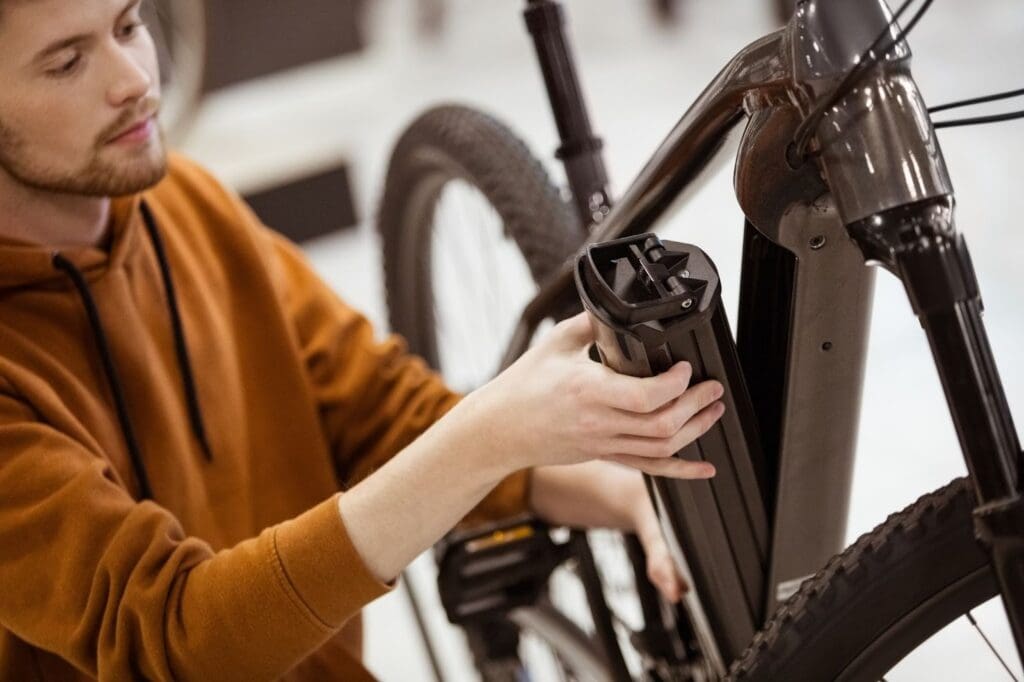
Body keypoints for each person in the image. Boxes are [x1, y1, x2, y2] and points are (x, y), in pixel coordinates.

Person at [0, 0, 726, 679]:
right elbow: (174, 639)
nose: (134, 82)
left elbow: (380, 409)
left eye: (128, 26)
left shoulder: (189, 205)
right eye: (67, 62)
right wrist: (491, 434)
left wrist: (619, 495)